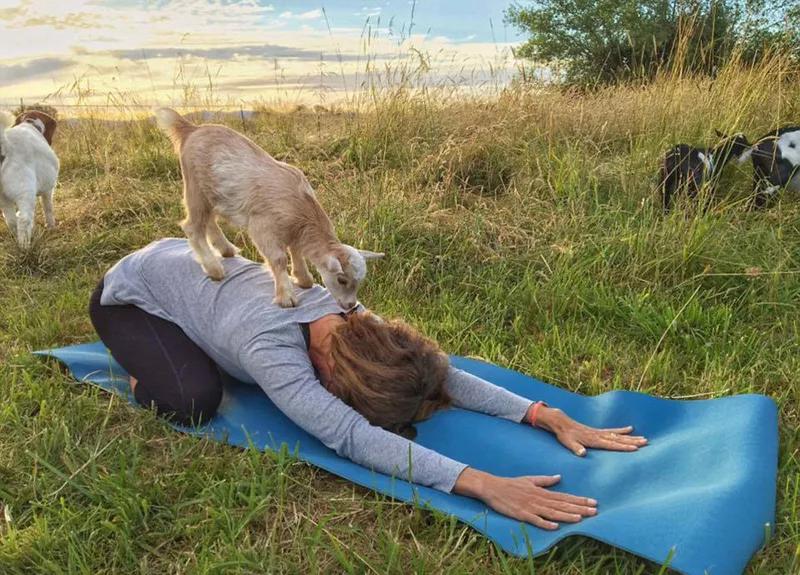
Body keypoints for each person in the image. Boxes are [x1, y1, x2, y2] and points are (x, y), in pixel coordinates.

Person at [89, 238, 647, 530]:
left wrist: (541, 414)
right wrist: (482, 483)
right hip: (135, 293)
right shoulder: (271, 349)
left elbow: (440, 374)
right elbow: (351, 437)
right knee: (192, 400)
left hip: (196, 266)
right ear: (330, 377)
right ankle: (141, 365)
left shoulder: (352, 312)